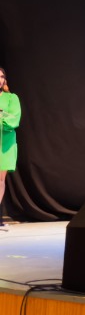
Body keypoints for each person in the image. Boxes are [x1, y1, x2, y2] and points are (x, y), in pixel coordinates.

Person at [0, 67, 20, 211]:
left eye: (1, 76)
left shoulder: (11, 98)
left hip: (5, 142)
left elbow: (14, 120)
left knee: (0, 180)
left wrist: (2, 115)